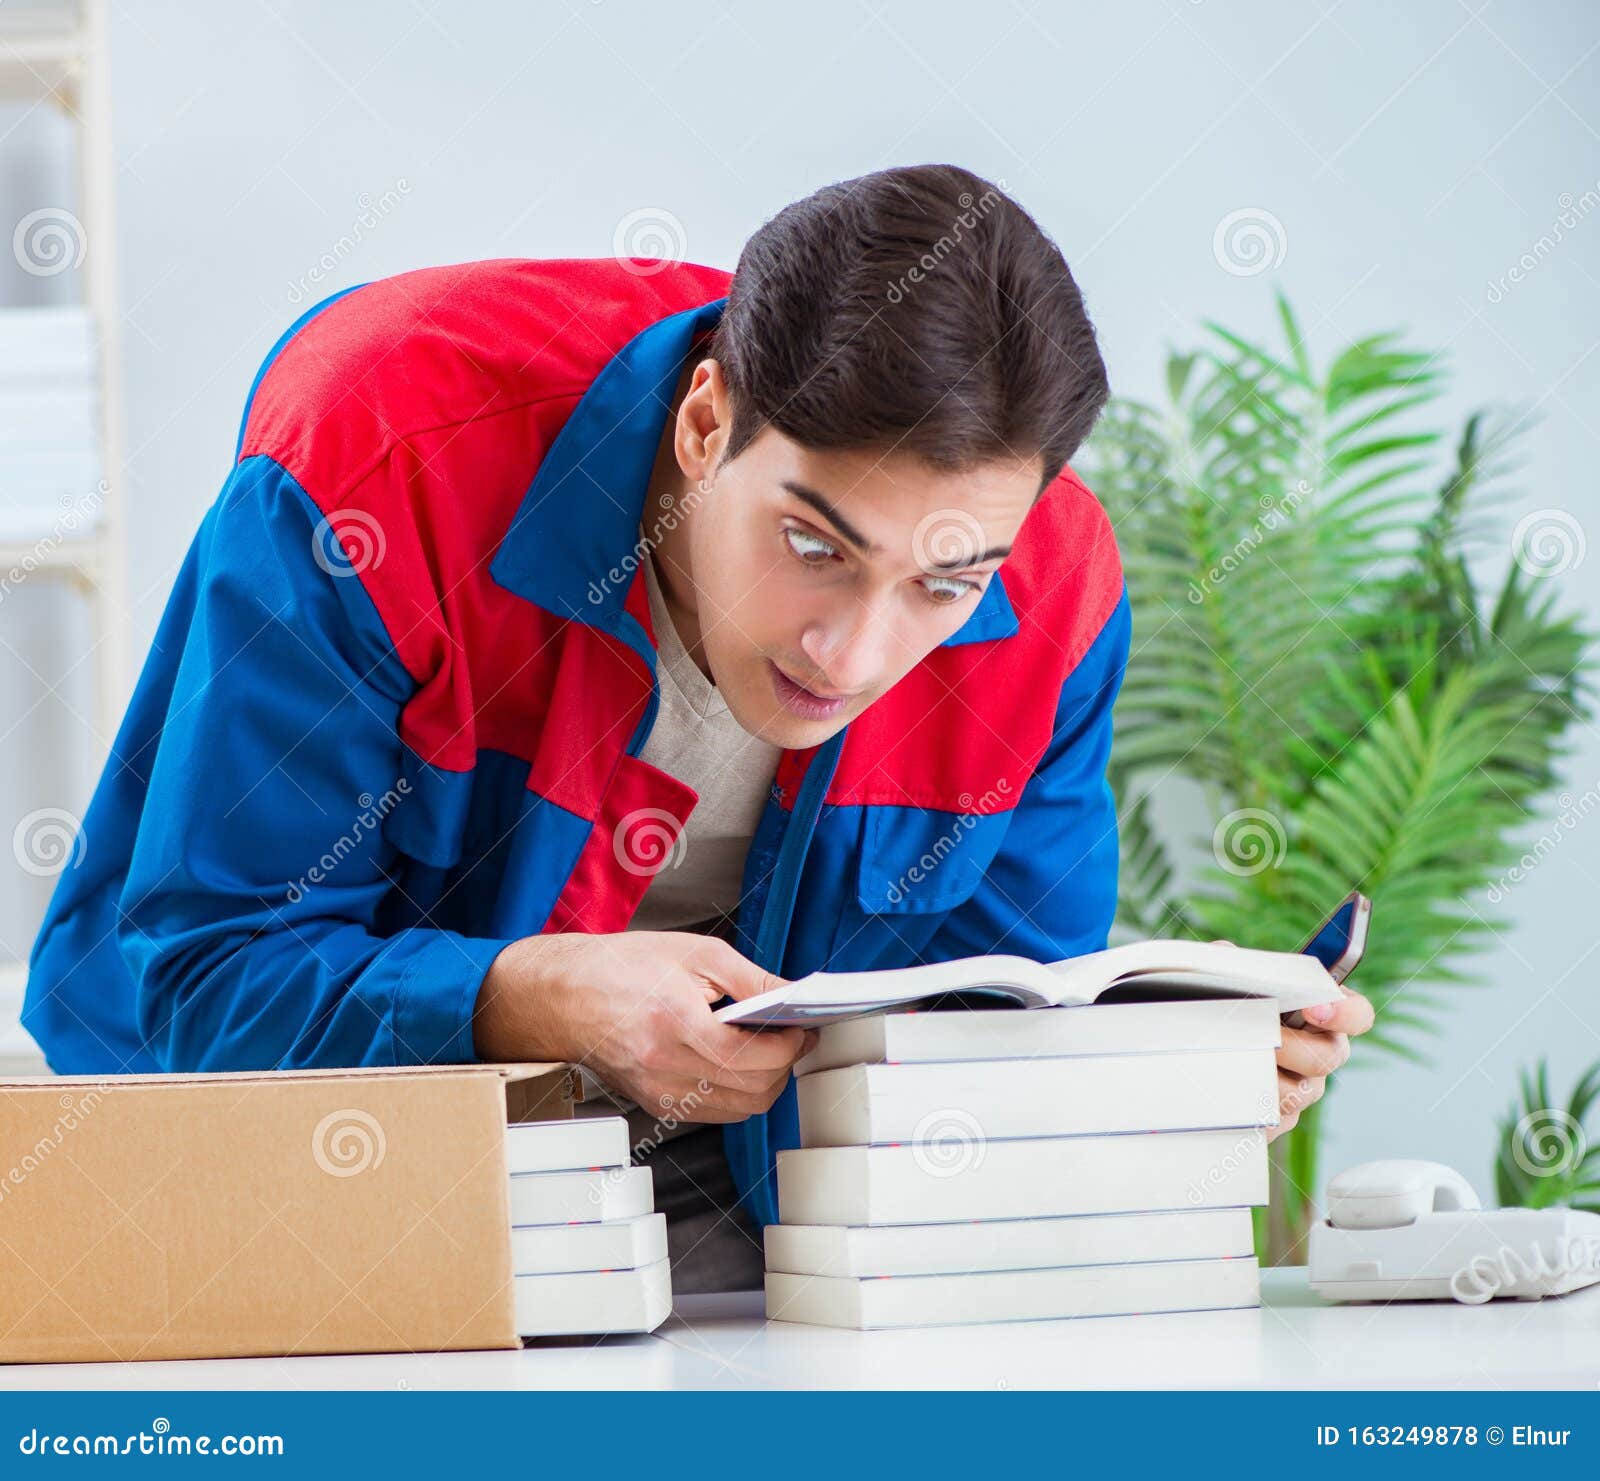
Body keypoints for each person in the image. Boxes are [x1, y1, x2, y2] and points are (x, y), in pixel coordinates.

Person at [23, 164, 1373, 1290]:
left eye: (945, 584)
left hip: (753, 1223)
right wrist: (516, 996)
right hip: (282, 1170)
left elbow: (980, 1034)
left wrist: (1164, 1074)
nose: (855, 651)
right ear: (706, 418)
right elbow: (200, 981)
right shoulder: (385, 453)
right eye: (814, 544)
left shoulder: (1055, 588)